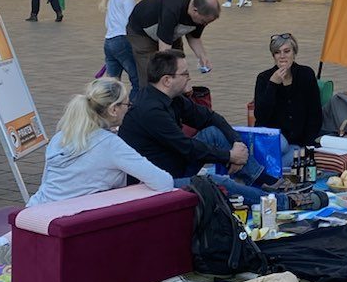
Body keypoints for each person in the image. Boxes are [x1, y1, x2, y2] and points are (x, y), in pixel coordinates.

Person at [0, 77, 174, 265]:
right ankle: (12, 249)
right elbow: (162, 182)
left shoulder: (62, 136)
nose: (128, 108)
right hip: (68, 221)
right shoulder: (111, 145)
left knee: (25, 232)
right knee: (151, 191)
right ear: (113, 110)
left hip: (36, 210)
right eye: (125, 104)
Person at [119, 51, 325, 210]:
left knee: (215, 133)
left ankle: (264, 181)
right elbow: (186, 147)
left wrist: (236, 147)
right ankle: (283, 202)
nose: (190, 78)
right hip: (158, 181)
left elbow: (212, 118)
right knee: (212, 181)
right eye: (185, 74)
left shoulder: (172, 99)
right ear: (166, 80)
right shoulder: (151, 111)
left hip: (175, 163)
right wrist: (228, 155)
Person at [125, 0, 220, 92]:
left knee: (179, 73)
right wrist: (171, 75)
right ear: (195, 10)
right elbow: (164, 52)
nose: (204, 24)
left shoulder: (202, 11)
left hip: (171, 33)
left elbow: (194, 37)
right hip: (141, 32)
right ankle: (150, 101)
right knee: (153, 74)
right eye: (203, 21)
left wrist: (202, 57)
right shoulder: (172, 7)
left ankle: (178, 103)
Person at [253, 32, 324, 168]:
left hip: (298, 142)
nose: (282, 56)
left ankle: (262, 171)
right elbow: (260, 116)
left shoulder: (306, 74)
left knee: (291, 156)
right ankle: (263, 170)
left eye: (287, 51)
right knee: (283, 145)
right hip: (274, 139)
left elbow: (315, 114)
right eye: (277, 52)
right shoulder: (264, 78)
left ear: (294, 53)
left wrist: (307, 144)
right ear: (273, 56)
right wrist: (273, 84)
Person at [101, 0, 141, 101]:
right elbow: (131, 22)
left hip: (109, 40)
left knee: (112, 84)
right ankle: (134, 113)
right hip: (124, 40)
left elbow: (108, 21)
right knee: (138, 81)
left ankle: (107, 111)